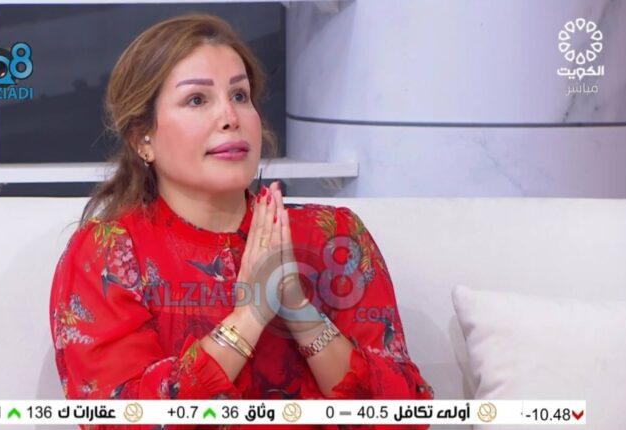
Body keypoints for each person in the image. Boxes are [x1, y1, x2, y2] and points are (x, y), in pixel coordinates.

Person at [49, 13, 433, 430]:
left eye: (240, 95)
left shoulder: (333, 236)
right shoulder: (108, 255)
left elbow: (403, 415)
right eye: (197, 100)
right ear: (143, 138)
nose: (230, 116)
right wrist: (248, 319)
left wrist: (299, 310)